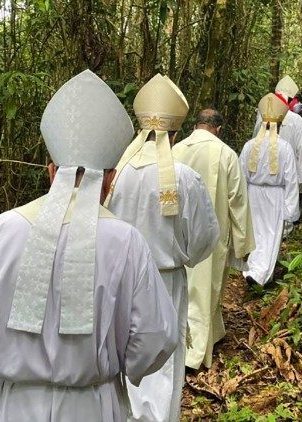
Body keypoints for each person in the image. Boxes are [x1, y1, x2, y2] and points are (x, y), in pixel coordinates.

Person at [0, 70, 179, 421]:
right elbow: (155, 338)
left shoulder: (0, 231)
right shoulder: (126, 242)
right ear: (110, 180)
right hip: (92, 405)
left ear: (51, 172)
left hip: (12, 405)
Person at [108, 74, 220, 422]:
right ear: (175, 134)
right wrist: (180, 256)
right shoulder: (183, 178)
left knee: (120, 354)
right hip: (165, 282)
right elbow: (205, 238)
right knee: (161, 365)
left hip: (117, 280)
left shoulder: (114, 174)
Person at [171, 109, 255, 371]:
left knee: (182, 286)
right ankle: (195, 354)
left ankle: (186, 340)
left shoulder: (175, 150)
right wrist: (243, 244)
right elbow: (237, 201)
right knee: (207, 288)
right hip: (211, 234)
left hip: (176, 233)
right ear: (218, 129)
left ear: (197, 125)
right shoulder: (226, 153)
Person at [240, 93, 300, 286]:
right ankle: (260, 274)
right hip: (276, 196)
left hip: (253, 194)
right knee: (270, 235)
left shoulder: (249, 146)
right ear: (280, 125)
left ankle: (254, 270)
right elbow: (291, 179)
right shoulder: (285, 148)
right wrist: (291, 210)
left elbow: (240, 176)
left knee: (256, 232)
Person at [253, 75, 302, 196]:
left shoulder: (262, 115)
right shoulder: (296, 119)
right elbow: (301, 150)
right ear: (291, 99)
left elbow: (255, 142)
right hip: (287, 178)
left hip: (260, 176)